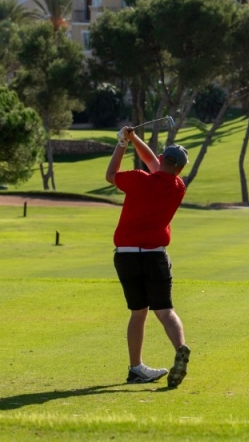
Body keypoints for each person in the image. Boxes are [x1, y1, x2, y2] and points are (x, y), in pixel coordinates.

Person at [105, 126, 191, 387]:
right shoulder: (177, 187)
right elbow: (155, 164)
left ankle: (135, 369)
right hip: (155, 257)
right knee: (165, 311)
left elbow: (111, 175)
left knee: (137, 312)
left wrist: (122, 143)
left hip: (127, 257)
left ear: (163, 158)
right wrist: (133, 138)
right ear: (179, 169)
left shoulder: (139, 179)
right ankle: (180, 348)